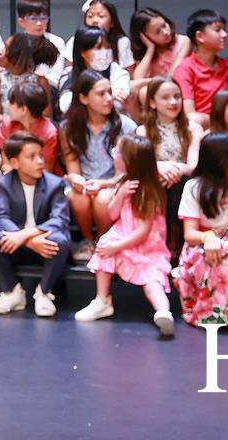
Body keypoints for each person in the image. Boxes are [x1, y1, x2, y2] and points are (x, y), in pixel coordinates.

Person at [76, 133, 176, 336]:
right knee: (104, 246)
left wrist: (118, 246)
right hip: (122, 236)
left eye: (117, 152)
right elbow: (112, 214)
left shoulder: (149, 191)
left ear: (129, 160)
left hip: (146, 246)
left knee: (152, 281)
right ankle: (102, 300)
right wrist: (120, 194)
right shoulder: (122, 182)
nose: (114, 155)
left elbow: (144, 231)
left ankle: (163, 312)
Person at [174, 130, 228, 328]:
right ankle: (214, 313)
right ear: (223, 159)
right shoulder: (194, 187)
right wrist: (208, 237)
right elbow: (190, 234)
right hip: (205, 240)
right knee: (216, 252)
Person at [0, 131, 72, 317]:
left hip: (44, 246)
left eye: (41, 155)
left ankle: (44, 293)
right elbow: (0, 217)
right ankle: (13, 291)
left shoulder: (55, 184)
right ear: (15, 163)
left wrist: (25, 235)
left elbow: (60, 219)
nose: (40, 161)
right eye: (32, 157)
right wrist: (26, 240)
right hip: (18, 246)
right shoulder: (4, 183)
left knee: (60, 240)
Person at [61, 69, 125, 261]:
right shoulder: (68, 127)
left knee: (103, 199)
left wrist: (103, 184)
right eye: (101, 94)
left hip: (113, 183)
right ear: (83, 98)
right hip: (86, 181)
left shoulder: (124, 126)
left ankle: (102, 240)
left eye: (109, 92)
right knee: (78, 197)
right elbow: (71, 159)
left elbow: (123, 174)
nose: (108, 98)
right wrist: (75, 178)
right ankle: (87, 239)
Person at [173, 9, 228, 122]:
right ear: (200, 36)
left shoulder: (227, 65)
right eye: (217, 30)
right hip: (200, 125)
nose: (225, 35)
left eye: (224, 30)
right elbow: (188, 113)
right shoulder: (185, 68)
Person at [0, 76, 60, 174]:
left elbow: (46, 169)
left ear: (24, 109)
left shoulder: (49, 132)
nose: (8, 107)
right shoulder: (6, 125)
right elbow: (6, 164)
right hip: (13, 177)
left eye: (11, 103)